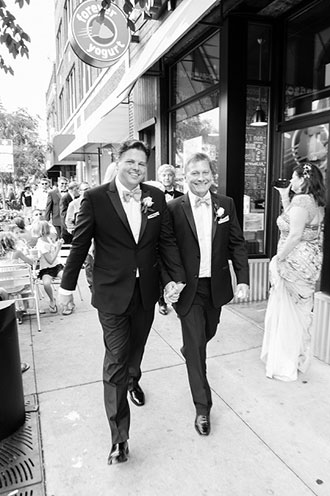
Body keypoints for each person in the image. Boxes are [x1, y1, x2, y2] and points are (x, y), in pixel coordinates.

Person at [58, 139, 185, 465]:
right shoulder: (96, 198)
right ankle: (120, 438)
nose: (137, 168)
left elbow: (166, 241)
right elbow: (80, 243)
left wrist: (176, 278)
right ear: (119, 161)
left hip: (146, 293)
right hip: (112, 294)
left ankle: (134, 379)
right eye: (131, 162)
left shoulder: (155, 197)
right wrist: (66, 286)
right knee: (116, 359)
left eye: (142, 164)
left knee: (135, 351)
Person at [166, 152, 249, 436]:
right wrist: (169, 283)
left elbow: (237, 243)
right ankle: (203, 407)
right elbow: (165, 250)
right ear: (184, 176)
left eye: (205, 173)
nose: (200, 178)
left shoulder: (226, 204)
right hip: (187, 289)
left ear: (212, 175)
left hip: (215, 286)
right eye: (194, 173)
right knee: (197, 348)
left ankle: (191, 348)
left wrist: (243, 279)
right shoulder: (173, 208)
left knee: (207, 334)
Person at [261, 162, 325, 382]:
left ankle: (284, 361)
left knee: (286, 312)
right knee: (298, 313)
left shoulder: (302, 200)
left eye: (294, 177)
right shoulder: (315, 202)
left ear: (303, 179)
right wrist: (283, 196)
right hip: (308, 263)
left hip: (293, 263)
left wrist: (278, 258)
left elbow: (295, 234)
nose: (291, 181)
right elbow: (293, 220)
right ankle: (296, 357)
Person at [157, 164, 183, 315]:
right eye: (164, 175)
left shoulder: (181, 195)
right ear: (160, 177)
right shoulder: (153, 195)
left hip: (176, 237)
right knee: (162, 270)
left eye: (170, 175)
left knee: (175, 268)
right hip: (159, 238)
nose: (167, 178)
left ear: (174, 177)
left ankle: (177, 300)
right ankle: (162, 301)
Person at [65, 181, 94, 291]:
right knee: (89, 262)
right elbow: (68, 222)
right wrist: (76, 233)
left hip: (96, 237)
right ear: (79, 191)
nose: (87, 191)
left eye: (88, 188)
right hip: (84, 238)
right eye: (84, 189)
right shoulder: (74, 204)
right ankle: (92, 285)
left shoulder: (96, 202)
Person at [34, 220, 64, 313]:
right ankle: (52, 299)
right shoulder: (41, 244)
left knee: (65, 278)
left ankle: (66, 299)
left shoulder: (48, 238)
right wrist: (58, 248)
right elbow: (50, 261)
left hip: (57, 266)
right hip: (46, 269)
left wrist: (57, 244)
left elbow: (52, 250)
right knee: (46, 283)